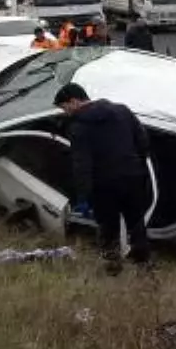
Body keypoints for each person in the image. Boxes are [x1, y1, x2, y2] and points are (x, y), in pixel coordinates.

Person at [53, 83, 152, 275]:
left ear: (74, 101)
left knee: (108, 227)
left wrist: (83, 196)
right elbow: (143, 140)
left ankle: (112, 266)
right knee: (136, 222)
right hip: (132, 177)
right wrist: (137, 166)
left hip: (104, 185)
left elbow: (82, 164)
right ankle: (144, 264)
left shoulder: (79, 127)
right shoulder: (122, 111)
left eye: (65, 108)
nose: (65, 113)